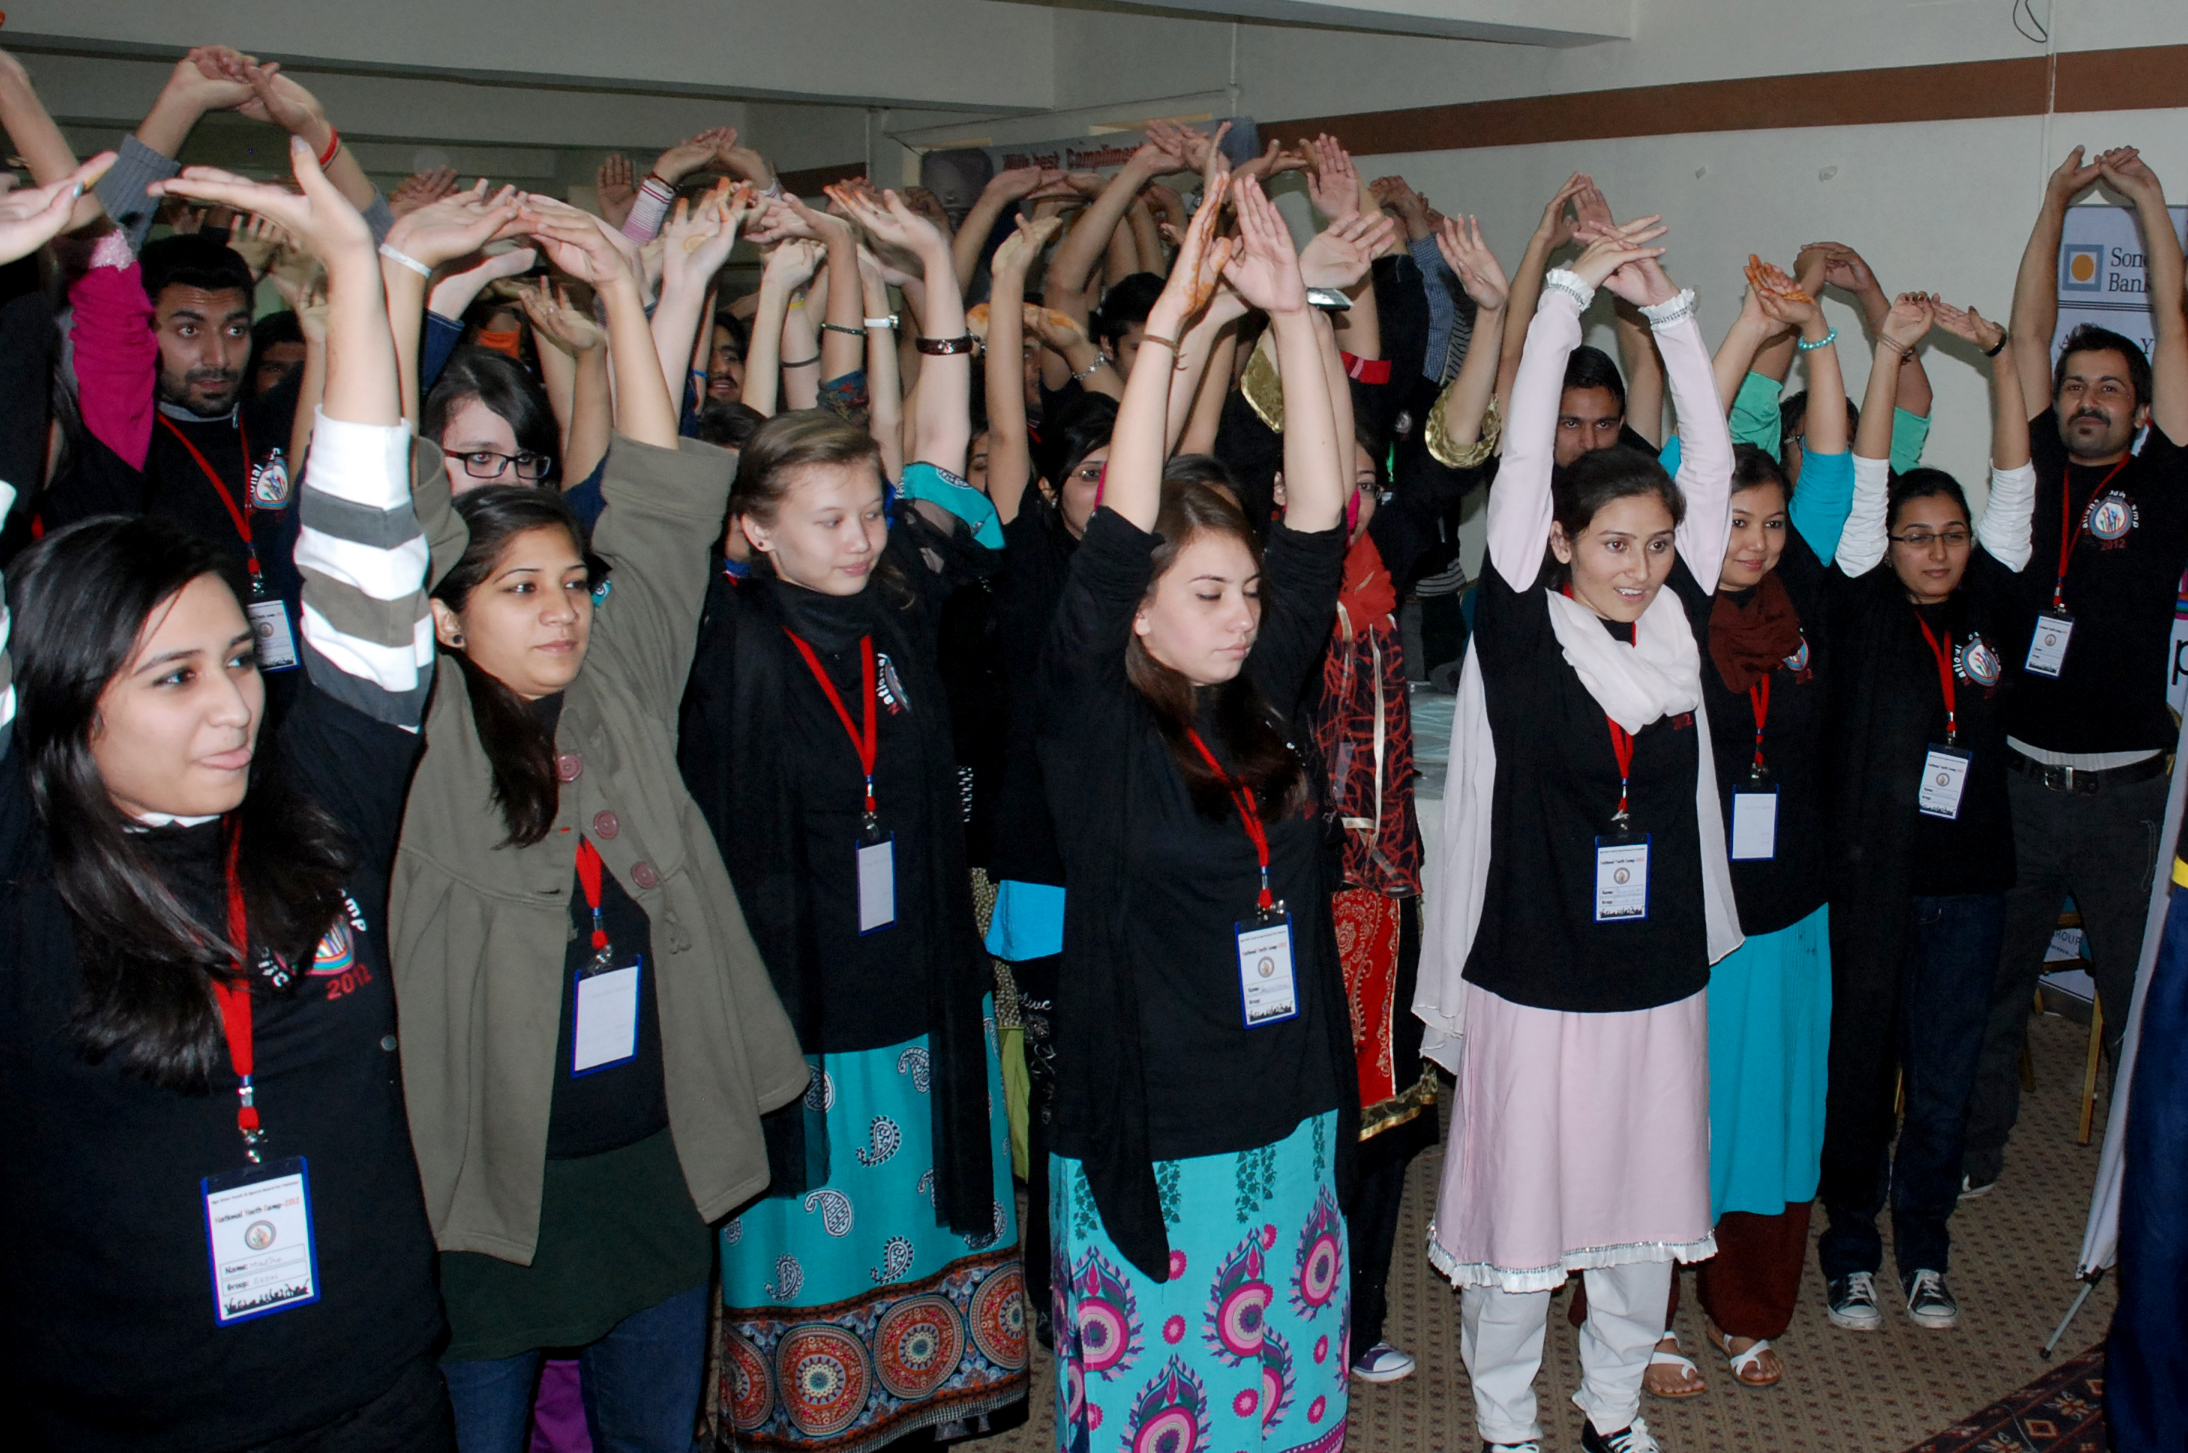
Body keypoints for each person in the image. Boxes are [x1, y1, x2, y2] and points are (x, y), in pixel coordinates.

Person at [0, 141, 452, 1450]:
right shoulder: (27, 872)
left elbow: (366, 543)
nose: (235, 705)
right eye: (175, 678)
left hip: (376, 1389)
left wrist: (360, 275)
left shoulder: (315, 807)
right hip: (135, 1415)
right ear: (67, 702)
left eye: (241, 661)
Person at [386, 182, 808, 1453]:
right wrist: (408, 284)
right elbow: (377, 501)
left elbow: (664, 508)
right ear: (445, 615)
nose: (562, 608)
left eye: (572, 582)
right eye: (519, 588)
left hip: (651, 1166)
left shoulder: (616, 689)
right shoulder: (421, 732)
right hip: (496, 1192)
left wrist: (628, 294)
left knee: (654, 1438)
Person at [678, 187, 1030, 1453]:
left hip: (921, 996)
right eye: (826, 520)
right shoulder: (725, 640)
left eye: (866, 513)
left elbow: (936, 458)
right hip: (798, 1017)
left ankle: (927, 1413)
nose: (861, 536)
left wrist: (936, 267)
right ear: (753, 531)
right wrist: (701, 286)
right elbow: (651, 490)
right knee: (811, 1266)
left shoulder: (897, 607)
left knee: (934, 1239)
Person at [1040, 161, 1358, 1453]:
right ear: (1138, 607)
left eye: (1245, 592)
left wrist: (1295, 314)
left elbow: (1322, 527)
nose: (1242, 617)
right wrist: (1168, 325)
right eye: (1209, 595)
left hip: (1285, 1108)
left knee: (1282, 1401)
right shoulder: (1099, 719)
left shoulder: (1258, 696)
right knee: (1164, 1419)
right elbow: (1114, 533)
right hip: (1160, 1134)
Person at [1415, 215, 1737, 1453]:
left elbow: (1706, 473)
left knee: (1644, 1216)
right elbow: (1520, 452)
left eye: (1656, 547)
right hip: (1536, 978)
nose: (1641, 567)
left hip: (1653, 979)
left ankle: (1610, 1412)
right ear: (1558, 542)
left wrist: (1670, 314)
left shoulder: (1673, 631)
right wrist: (1561, 300)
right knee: (1518, 1222)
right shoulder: (1518, 624)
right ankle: (1507, 1422)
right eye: (1614, 544)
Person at [1628, 257, 1854, 1397]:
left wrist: (1815, 338)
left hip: (1792, 917)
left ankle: (1750, 1304)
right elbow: (1684, 463)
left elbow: (1834, 478)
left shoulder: (1799, 599)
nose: (1757, 540)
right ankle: (1649, 1317)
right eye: (1739, 520)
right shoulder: (1668, 610)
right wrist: (1723, 332)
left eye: (1770, 523)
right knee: (1679, 1123)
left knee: (1771, 1117)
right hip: (1696, 922)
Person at [1962, 145, 2188, 1197]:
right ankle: (1973, 1154)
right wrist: (2051, 201)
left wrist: (2144, 204)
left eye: (2112, 388)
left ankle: (2148, 1169)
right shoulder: (2037, 459)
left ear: (2140, 410)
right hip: (2016, 784)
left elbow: (2176, 330)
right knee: (1993, 984)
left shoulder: (2165, 479)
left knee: (2144, 993)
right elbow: (2026, 334)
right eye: (2075, 387)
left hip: (2124, 801)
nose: (2088, 398)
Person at [1816, 293, 2035, 1334]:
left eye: (1951, 536)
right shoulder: (1859, 600)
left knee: (1944, 1084)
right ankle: (1851, 1252)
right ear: (1889, 543)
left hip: (1971, 888)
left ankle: (1927, 1253)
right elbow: (1862, 484)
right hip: (1874, 884)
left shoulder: (1994, 597)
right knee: (1861, 1074)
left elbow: (2017, 479)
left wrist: (1997, 358)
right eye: (1918, 536)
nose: (1938, 552)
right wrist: (1890, 348)